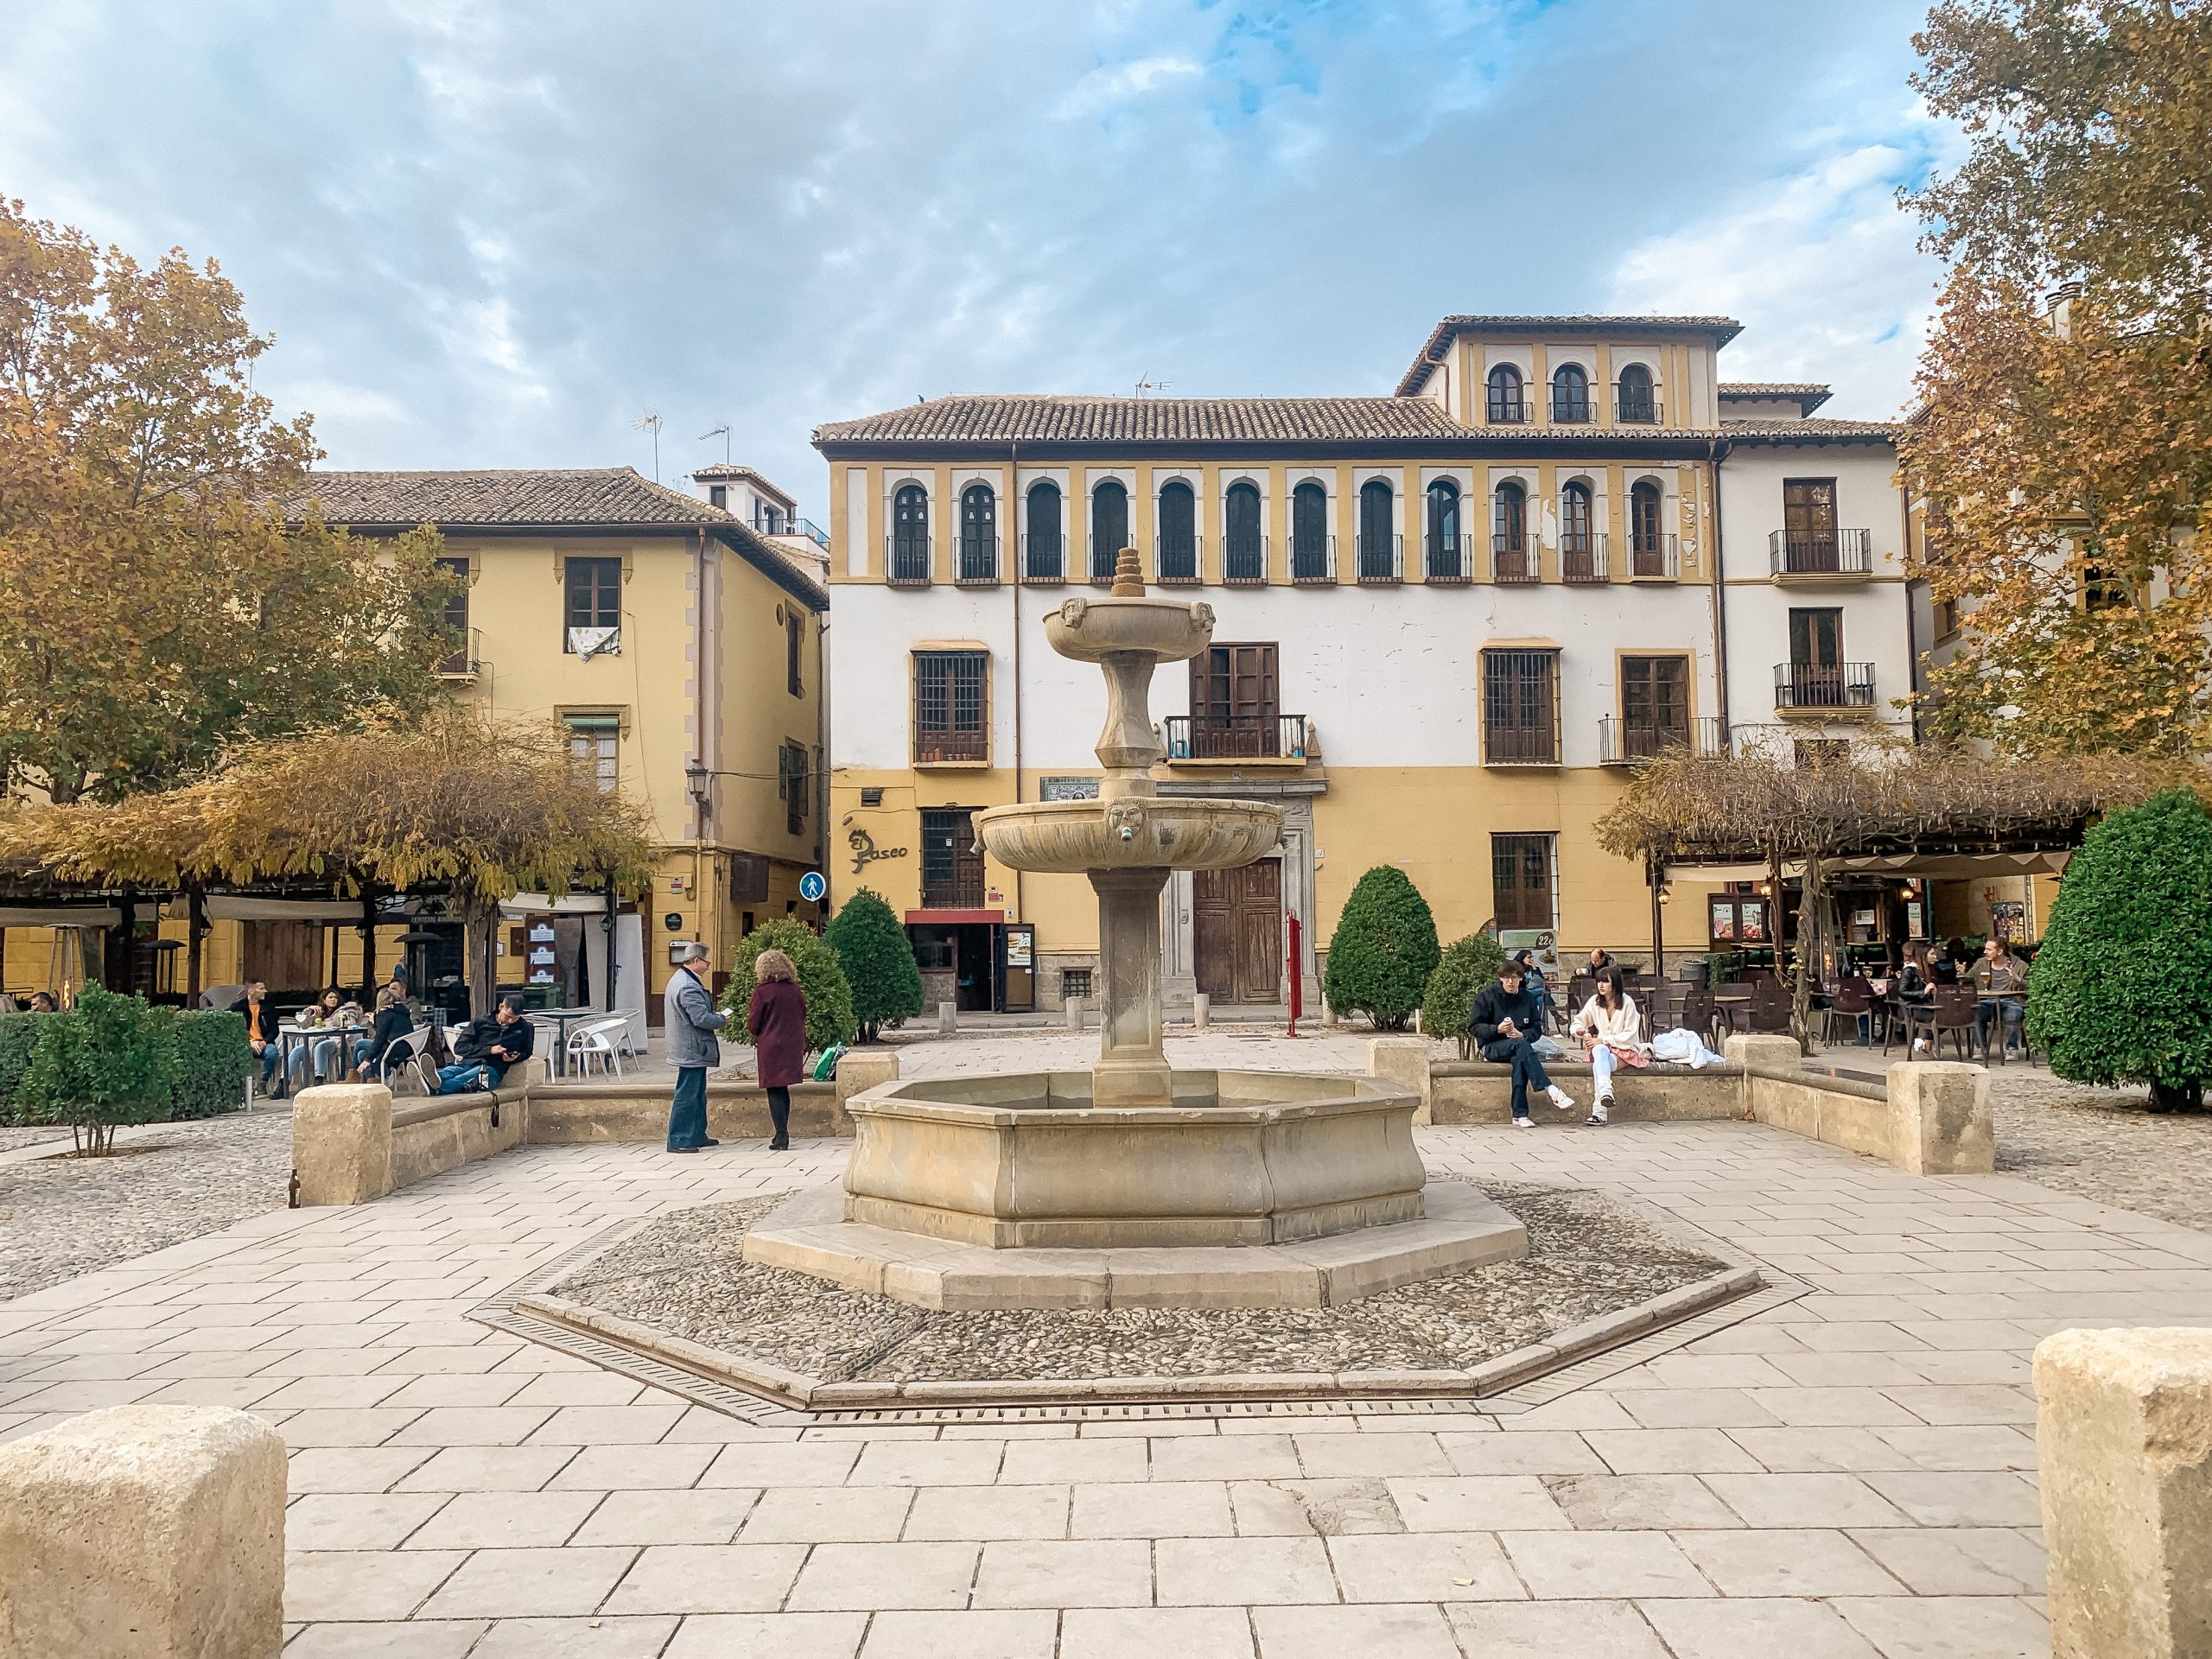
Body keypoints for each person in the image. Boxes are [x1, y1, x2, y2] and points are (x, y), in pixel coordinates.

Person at [1468, 957, 1575, 1128]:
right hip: (1492, 1046)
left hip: (1519, 1046)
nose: (1511, 982)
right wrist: (1497, 1029)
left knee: (1520, 1058)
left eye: (1515, 977)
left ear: (1521, 978)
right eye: (1507, 978)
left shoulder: (1528, 998)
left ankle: (1520, 1115)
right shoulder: (1486, 997)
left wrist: (1523, 1034)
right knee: (1522, 1046)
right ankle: (1551, 1089)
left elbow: (1536, 1029)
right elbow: (1474, 1027)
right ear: (1501, 978)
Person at [664, 941, 731, 1154]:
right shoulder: (688, 986)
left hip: (691, 1047)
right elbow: (700, 1018)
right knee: (688, 1094)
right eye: (707, 962)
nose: (708, 966)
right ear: (696, 961)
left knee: (697, 1093)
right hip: (692, 1048)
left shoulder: (682, 980)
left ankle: (696, 1135)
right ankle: (680, 1139)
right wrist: (721, 1019)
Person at [749, 948, 809, 1152]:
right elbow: (803, 1012)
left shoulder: (762, 992)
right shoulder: (794, 989)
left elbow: (754, 1024)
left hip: (771, 1046)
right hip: (792, 1044)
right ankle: (783, 1133)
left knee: (774, 1089)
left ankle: (781, 1134)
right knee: (783, 1089)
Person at [1570, 968, 1642, 1127]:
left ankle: (1599, 1112)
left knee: (1599, 1057)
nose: (1601, 985)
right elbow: (1577, 1022)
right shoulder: (1595, 1001)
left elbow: (1630, 1035)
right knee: (1600, 1053)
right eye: (1599, 982)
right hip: (1604, 1052)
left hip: (1625, 1050)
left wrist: (1603, 1040)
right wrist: (1580, 1031)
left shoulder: (1627, 1002)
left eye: (1605, 981)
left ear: (1614, 983)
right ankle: (1606, 1092)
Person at [432, 995, 535, 1094]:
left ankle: (434, 1089)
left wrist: (515, 1057)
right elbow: (460, 1047)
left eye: (515, 1018)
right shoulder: (480, 1022)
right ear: (501, 1007)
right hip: (468, 1062)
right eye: (508, 1016)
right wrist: (489, 1050)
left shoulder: (525, 1028)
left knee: (463, 1078)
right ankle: (425, 1080)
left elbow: (527, 1051)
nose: (511, 1021)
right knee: (448, 1072)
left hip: (492, 1069)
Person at [1972, 937, 2029, 1058]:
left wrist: (2018, 979)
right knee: (1974, 1012)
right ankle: (1981, 1048)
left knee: (2014, 1014)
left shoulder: (2019, 965)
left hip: (2010, 1001)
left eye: (1989, 949)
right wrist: (1961, 973)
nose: (1985, 952)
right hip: (1987, 1001)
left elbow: (2032, 987)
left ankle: (2011, 1048)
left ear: (2000, 951)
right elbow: (1969, 979)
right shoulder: (1981, 963)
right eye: (1985, 949)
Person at [353, 974, 414, 1081]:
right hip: (406, 1047)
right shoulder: (401, 1011)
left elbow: (380, 1037)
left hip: (392, 1046)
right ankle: (372, 1079)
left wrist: (368, 1059)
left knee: (360, 1044)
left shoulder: (384, 1014)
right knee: (362, 1054)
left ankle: (354, 1074)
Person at [240, 980, 281, 1090]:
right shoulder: (238, 1008)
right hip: (244, 1045)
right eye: (261, 989)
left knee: (272, 1052)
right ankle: (244, 1087)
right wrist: (250, 1042)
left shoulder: (268, 1007)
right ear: (251, 991)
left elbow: (275, 1030)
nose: (265, 991)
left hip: (265, 1043)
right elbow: (233, 1031)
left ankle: (263, 1081)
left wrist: (264, 1042)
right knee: (240, 1055)